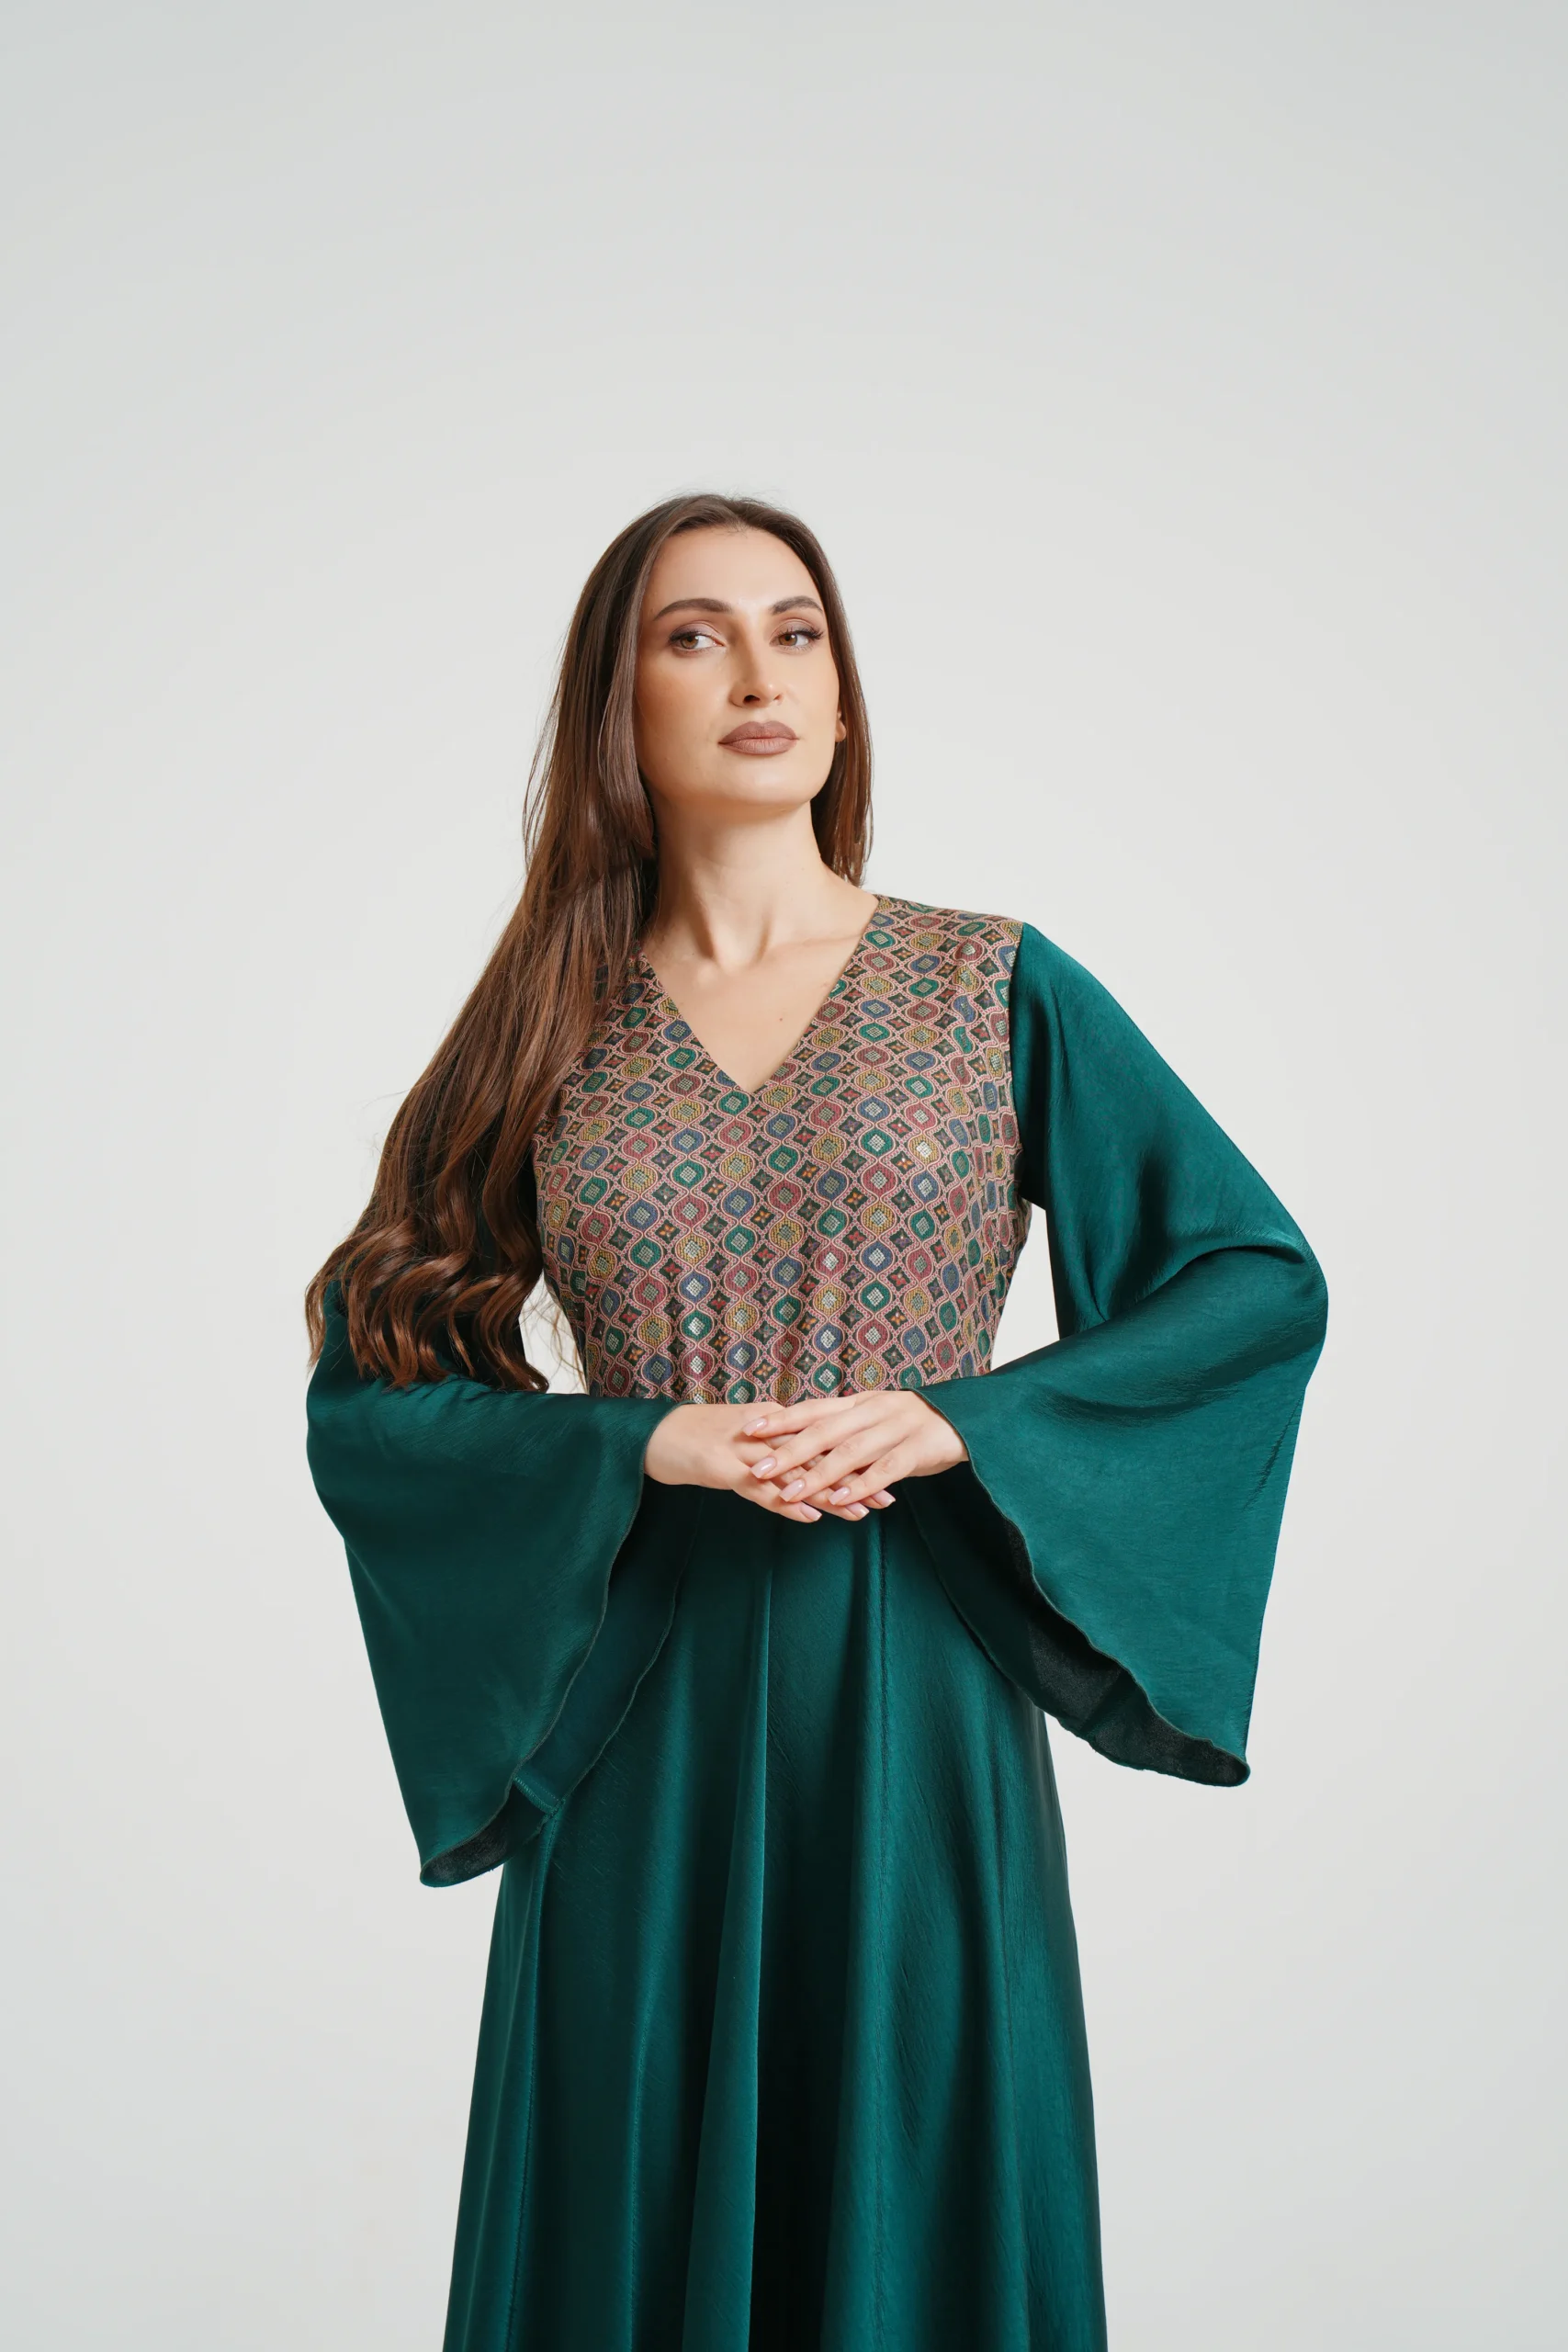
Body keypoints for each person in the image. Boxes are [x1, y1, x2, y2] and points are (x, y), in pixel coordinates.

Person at [304, 492, 1327, 2352]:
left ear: (844, 698)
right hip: (643, 1721)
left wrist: (959, 1420)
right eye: (692, 635)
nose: (757, 674)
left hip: (912, 1709)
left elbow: (1249, 1282)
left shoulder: (990, 982)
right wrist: (636, 1444)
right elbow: (374, 1392)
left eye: (797, 632)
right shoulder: (541, 1025)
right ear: (617, 701)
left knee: (909, 2174)